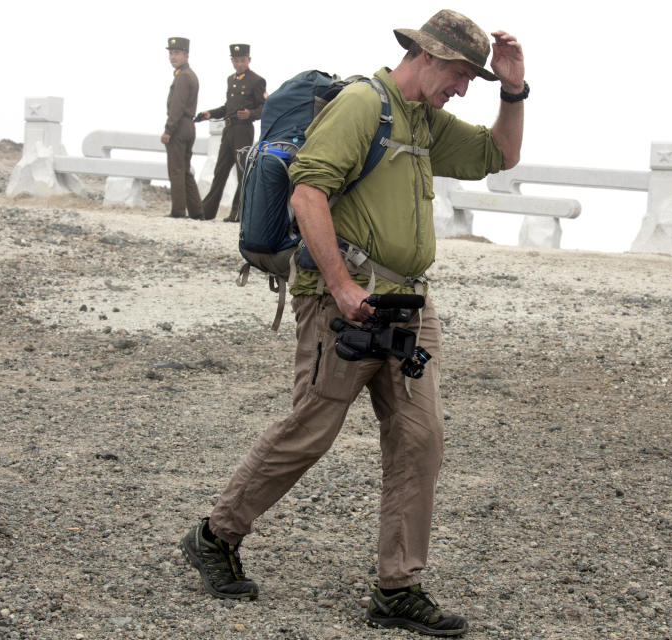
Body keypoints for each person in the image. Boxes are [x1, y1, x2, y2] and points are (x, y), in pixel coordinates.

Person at [180, 9, 525, 637]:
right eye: (461, 73)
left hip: (408, 309)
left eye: (474, 79)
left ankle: (397, 587)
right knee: (309, 431)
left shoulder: (424, 119)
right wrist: (339, 285)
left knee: (421, 439)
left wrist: (513, 88)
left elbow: (499, 154)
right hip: (344, 306)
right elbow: (307, 192)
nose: (463, 87)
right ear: (426, 55)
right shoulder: (366, 105)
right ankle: (214, 534)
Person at [198, 44, 266, 222]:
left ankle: (237, 213)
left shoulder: (257, 81)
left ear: (249, 60)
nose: (239, 64)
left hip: (243, 130)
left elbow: (265, 106)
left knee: (242, 172)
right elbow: (227, 108)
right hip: (229, 129)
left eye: (242, 60)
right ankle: (207, 212)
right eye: (236, 60)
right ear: (232, 61)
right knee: (220, 171)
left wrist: (251, 114)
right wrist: (210, 114)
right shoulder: (231, 80)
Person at [162, 37, 203, 219]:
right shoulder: (188, 74)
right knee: (185, 170)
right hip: (188, 125)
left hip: (180, 126)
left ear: (186, 55)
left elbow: (177, 107)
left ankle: (178, 210)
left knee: (177, 169)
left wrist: (168, 130)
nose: (173, 57)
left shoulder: (184, 76)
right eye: (171, 53)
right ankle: (197, 212)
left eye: (177, 53)